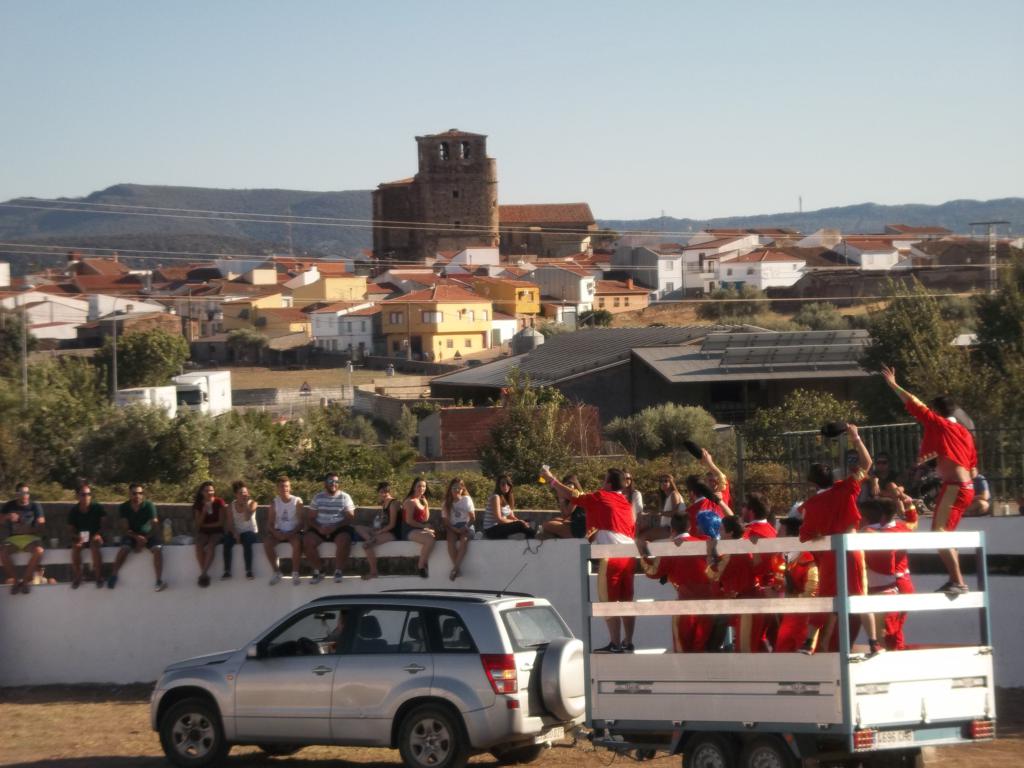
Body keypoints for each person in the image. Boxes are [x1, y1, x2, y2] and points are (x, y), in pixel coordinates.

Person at [881, 366, 977, 595]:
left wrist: (894, 385)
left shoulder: (940, 425)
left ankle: (958, 581)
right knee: (944, 534)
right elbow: (974, 470)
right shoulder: (964, 433)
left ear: (937, 411)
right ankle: (956, 580)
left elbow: (915, 404)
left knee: (939, 533)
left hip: (954, 487)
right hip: (966, 487)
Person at [797, 423, 881, 656]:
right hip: (852, 551)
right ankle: (874, 642)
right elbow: (867, 464)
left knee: (825, 597)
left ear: (813, 483)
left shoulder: (811, 505)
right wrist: (856, 437)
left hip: (829, 556)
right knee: (860, 595)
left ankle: (808, 642)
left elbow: (806, 537)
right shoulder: (845, 488)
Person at [542, 465, 637, 653]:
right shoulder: (626, 503)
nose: (602, 482)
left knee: (608, 601)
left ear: (608, 484)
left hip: (612, 557)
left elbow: (573, 495)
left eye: (604, 479)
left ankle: (615, 644)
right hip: (629, 557)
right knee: (627, 602)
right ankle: (628, 642)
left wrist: (551, 479)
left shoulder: (601, 496)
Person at [642, 511, 713, 653]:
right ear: (689, 527)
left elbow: (653, 572)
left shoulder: (671, 548)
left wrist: (643, 554)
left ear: (672, 529)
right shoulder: (703, 543)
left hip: (685, 605)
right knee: (701, 651)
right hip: (707, 605)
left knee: (682, 652)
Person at [860, 498, 915, 651]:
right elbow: (913, 522)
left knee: (886, 631)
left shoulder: (872, 533)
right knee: (896, 630)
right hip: (905, 583)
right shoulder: (903, 527)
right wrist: (909, 505)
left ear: (882, 515)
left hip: (891, 584)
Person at [773, 515, 820, 652]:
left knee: (801, 654)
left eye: (780, 532)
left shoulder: (807, 559)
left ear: (790, 536)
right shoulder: (778, 557)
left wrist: (789, 600)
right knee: (782, 650)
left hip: (803, 614)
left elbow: (812, 590)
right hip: (787, 614)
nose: (776, 535)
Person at [108, 483, 166, 591]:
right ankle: (113, 575)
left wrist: (145, 539)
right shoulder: (124, 507)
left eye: (140, 493)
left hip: (148, 535)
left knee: (158, 549)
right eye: (134, 493)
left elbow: (155, 526)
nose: (137, 496)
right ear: (129, 494)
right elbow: (125, 529)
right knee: (124, 548)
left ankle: (159, 581)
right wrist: (137, 538)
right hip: (131, 535)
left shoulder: (149, 506)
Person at [304, 472, 357, 584]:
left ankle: (338, 571)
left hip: (339, 527)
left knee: (345, 539)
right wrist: (319, 528)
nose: (334, 483)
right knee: (307, 541)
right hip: (320, 528)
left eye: (336, 481)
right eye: (330, 481)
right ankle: (320, 570)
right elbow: (310, 518)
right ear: (325, 483)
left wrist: (335, 527)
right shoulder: (318, 497)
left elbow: (350, 517)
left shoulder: (345, 497)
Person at [1, 482, 46, 595]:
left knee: (39, 551)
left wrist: (37, 524)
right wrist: (8, 516)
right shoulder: (9, 505)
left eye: (27, 493)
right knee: (2, 553)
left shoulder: (35, 506)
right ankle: (16, 581)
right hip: (14, 538)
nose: (25, 495)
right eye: (22, 493)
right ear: (17, 494)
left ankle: (25, 580)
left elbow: (41, 522)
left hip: (31, 537)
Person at [354, 482, 402, 580]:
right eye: (381, 492)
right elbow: (384, 521)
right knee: (358, 527)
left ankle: (373, 572)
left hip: (393, 533)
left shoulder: (393, 503)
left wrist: (380, 532)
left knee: (366, 546)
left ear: (389, 491)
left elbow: (392, 525)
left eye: (385, 491)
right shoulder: (384, 503)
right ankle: (371, 539)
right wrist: (377, 528)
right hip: (384, 530)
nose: (383, 494)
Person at [263, 475, 304, 585]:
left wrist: (291, 533)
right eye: (281, 486)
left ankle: (295, 572)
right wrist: (275, 533)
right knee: (267, 543)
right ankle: (277, 572)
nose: (284, 488)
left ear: (290, 488)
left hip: (293, 532)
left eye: (286, 486)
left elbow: (301, 523)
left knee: (297, 543)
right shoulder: (274, 502)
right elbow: (270, 523)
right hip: (279, 532)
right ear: (278, 488)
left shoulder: (297, 501)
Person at [67, 484, 106, 589]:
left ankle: (98, 576)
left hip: (95, 536)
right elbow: (70, 530)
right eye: (83, 494)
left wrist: (98, 534)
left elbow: (105, 525)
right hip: (81, 537)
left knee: (94, 546)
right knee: (76, 547)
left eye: (88, 494)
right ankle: (78, 576)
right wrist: (77, 537)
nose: (86, 497)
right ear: (78, 496)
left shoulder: (97, 508)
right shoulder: (74, 511)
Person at [192, 481, 228, 588]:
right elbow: (198, 524)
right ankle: (204, 573)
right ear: (202, 492)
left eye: (211, 490)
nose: (209, 493)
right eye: (207, 491)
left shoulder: (219, 502)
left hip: (217, 531)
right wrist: (204, 512)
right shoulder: (199, 505)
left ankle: (203, 573)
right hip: (203, 532)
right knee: (199, 545)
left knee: (211, 545)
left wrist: (205, 525)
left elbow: (221, 522)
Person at [636, 474, 684, 548]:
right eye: (661, 481)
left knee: (643, 536)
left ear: (671, 483)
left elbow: (676, 513)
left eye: (666, 481)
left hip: (671, 529)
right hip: (667, 528)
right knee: (643, 532)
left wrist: (659, 513)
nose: (663, 483)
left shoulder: (674, 494)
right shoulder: (668, 497)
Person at [224, 480, 259, 580]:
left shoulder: (253, 503)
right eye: (241, 493)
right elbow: (230, 524)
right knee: (227, 541)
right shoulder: (231, 506)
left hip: (250, 532)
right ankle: (227, 571)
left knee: (247, 540)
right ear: (236, 495)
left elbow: (247, 518)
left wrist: (245, 504)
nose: (244, 495)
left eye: (245, 492)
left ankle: (249, 571)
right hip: (237, 532)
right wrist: (235, 533)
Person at [441, 477, 475, 581]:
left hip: (466, 525)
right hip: (453, 527)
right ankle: (457, 569)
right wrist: (455, 530)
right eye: (454, 488)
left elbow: (472, 518)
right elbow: (446, 522)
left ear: (462, 489)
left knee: (464, 540)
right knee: (450, 541)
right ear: (450, 489)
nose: (457, 490)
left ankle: (455, 569)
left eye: (459, 488)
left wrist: (465, 527)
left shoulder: (466, 499)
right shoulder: (446, 503)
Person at [403, 477, 436, 578]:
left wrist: (426, 505)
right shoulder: (410, 502)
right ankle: (421, 566)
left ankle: (428, 564)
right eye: (419, 486)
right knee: (430, 539)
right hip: (409, 530)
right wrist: (424, 527)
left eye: (424, 486)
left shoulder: (420, 500)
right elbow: (409, 521)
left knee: (436, 534)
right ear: (414, 487)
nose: (422, 488)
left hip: (418, 528)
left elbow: (426, 518)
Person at [540, 474, 585, 539]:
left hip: (579, 531)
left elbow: (566, 514)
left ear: (575, 485)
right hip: (578, 525)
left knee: (546, 525)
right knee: (555, 520)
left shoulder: (576, 494)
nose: (567, 487)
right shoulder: (575, 495)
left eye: (569, 484)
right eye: (566, 485)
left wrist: (561, 498)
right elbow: (564, 516)